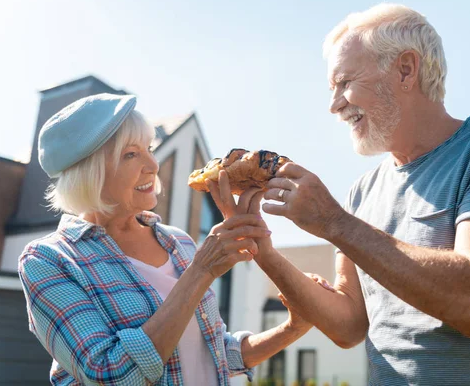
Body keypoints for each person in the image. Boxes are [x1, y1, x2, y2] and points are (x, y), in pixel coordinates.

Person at [242, 3, 470, 385]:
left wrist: (332, 221)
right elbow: (349, 325)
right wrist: (260, 248)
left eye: (345, 83)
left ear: (405, 70)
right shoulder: (362, 193)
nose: (334, 105)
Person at [18, 93, 321, 386]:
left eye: (149, 148)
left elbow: (213, 353)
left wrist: (293, 327)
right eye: (131, 154)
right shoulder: (48, 260)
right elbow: (112, 375)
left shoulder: (178, 242)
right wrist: (200, 273)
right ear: (88, 174)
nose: (152, 165)